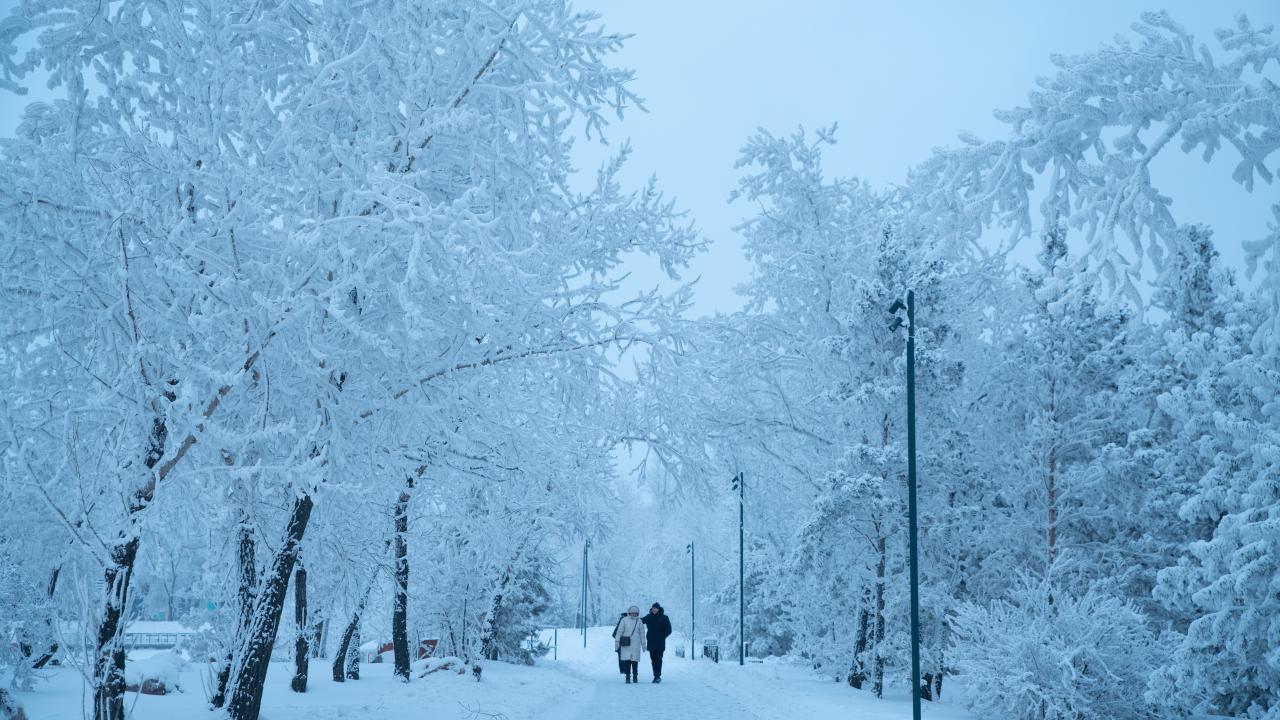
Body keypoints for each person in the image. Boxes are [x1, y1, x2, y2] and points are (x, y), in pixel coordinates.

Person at [613, 605, 646, 684]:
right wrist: (617, 641)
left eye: (635, 613)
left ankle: (635, 676)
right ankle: (627, 676)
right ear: (629, 613)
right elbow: (619, 631)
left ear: (637, 613)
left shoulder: (639, 621)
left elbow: (642, 633)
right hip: (626, 643)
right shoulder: (624, 620)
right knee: (627, 661)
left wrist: (643, 644)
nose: (634, 614)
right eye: (632, 613)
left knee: (635, 661)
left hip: (636, 644)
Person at [641, 602, 672, 683]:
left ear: (658, 609)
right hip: (651, 642)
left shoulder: (664, 618)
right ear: (651, 609)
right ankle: (656, 675)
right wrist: (631, 616)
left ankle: (657, 676)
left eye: (655, 608)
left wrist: (662, 637)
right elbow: (640, 621)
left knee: (658, 659)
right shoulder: (649, 617)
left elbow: (669, 630)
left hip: (660, 643)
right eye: (653, 608)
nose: (654, 610)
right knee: (653, 660)